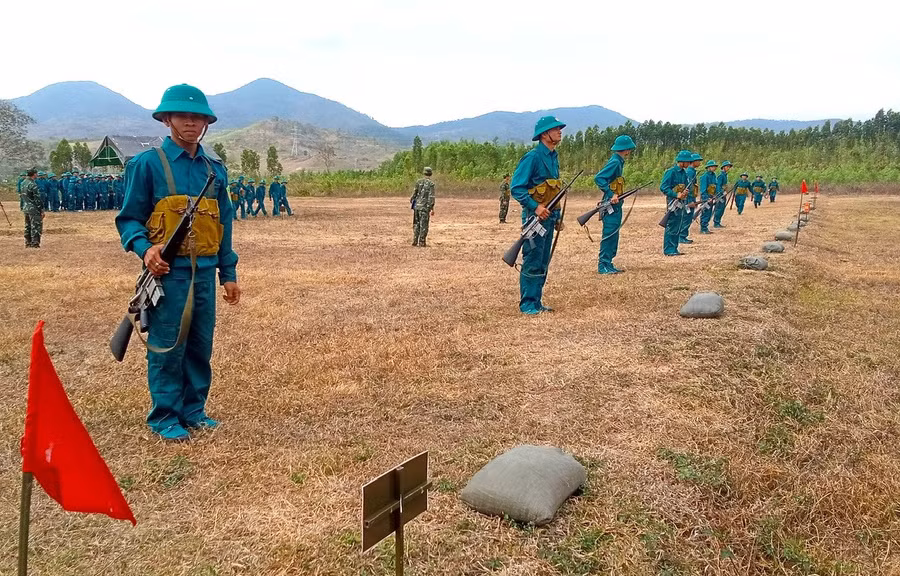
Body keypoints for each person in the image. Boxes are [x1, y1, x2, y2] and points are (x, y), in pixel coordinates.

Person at [115, 84, 240, 441]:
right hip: (168, 274)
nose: (191, 122)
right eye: (184, 116)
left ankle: (194, 410)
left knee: (200, 344)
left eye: (198, 117)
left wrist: (227, 273)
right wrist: (145, 249)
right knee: (169, 345)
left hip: (204, 273)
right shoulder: (147, 165)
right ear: (167, 119)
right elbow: (129, 218)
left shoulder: (214, 171)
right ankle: (165, 416)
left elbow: (224, 224)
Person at [510, 116, 565, 314]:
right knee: (532, 259)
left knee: (543, 260)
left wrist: (557, 216)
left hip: (549, 218)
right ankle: (528, 304)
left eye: (559, 128)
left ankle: (537, 301)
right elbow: (516, 188)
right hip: (534, 218)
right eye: (556, 128)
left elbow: (553, 192)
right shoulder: (532, 157)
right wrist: (535, 207)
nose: (560, 131)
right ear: (544, 134)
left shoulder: (553, 157)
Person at [593, 134, 635, 274]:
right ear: (627, 149)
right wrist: (611, 194)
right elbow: (599, 178)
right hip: (610, 205)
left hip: (615, 205)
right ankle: (603, 265)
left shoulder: (619, 161)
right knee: (610, 233)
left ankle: (608, 263)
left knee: (614, 233)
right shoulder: (615, 162)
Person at [660, 150, 693, 256]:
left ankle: (674, 247)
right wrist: (676, 195)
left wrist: (685, 192)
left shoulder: (684, 173)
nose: (689, 164)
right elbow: (664, 187)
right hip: (673, 202)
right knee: (672, 224)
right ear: (682, 161)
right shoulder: (671, 172)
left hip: (681, 202)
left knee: (678, 224)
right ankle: (669, 249)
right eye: (687, 162)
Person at [410, 167, 436, 246]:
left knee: (416, 224)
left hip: (417, 207)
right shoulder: (431, 184)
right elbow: (431, 197)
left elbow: (414, 195)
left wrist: (413, 202)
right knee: (423, 225)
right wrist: (431, 208)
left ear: (424, 173)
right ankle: (422, 242)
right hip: (424, 207)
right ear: (430, 174)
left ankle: (415, 241)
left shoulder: (418, 182)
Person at [681, 152, 703, 244]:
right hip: (689, 198)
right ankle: (682, 236)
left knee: (689, 217)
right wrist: (690, 200)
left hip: (691, 197)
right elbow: (689, 186)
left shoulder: (692, 171)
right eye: (698, 161)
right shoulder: (690, 172)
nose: (699, 163)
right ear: (693, 162)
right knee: (686, 217)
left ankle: (683, 236)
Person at [21, 168, 43, 248]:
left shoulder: (23, 183)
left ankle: (28, 242)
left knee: (28, 225)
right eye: (36, 173)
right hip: (33, 208)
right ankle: (35, 243)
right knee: (36, 226)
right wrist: (41, 209)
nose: (37, 175)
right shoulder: (32, 184)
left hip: (26, 207)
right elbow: (37, 199)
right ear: (34, 174)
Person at [698, 160, 719, 234]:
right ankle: (703, 228)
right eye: (712, 166)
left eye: (714, 167)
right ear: (708, 167)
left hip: (711, 196)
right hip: (706, 197)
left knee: (709, 212)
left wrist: (715, 196)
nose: (714, 168)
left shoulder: (714, 175)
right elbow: (703, 189)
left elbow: (715, 186)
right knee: (705, 212)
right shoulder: (704, 176)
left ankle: (705, 227)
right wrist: (706, 198)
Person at [713, 161, 733, 228]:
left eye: (729, 167)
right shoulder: (721, 176)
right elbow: (718, 186)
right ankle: (716, 222)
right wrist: (721, 192)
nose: (728, 168)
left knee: (722, 208)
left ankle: (718, 222)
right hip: (720, 195)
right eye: (727, 166)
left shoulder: (725, 175)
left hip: (723, 194)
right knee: (719, 208)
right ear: (723, 167)